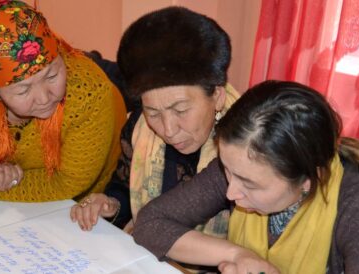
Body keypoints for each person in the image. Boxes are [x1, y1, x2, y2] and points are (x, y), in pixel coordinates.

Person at [133, 80, 359, 274]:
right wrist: (238, 254)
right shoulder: (240, 163)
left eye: (249, 184)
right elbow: (151, 223)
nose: (231, 193)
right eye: (228, 171)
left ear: (306, 180)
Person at [70, 7, 239, 236]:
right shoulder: (139, 129)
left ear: (217, 97)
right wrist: (110, 204)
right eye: (154, 113)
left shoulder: (247, 145)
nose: (168, 130)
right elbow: (124, 189)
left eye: (180, 110)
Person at [0, 0, 127, 202]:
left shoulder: (89, 93)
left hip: (88, 201)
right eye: (23, 90)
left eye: (52, 76)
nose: (44, 97)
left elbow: (68, 183)